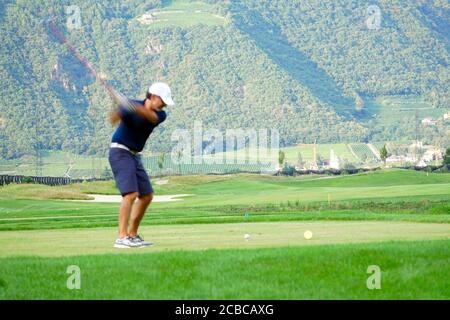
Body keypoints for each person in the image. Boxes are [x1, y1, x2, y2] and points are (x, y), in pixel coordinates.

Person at [108, 82, 173, 248]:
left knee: (146, 196)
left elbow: (149, 116)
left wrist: (131, 106)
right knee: (130, 194)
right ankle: (121, 238)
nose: (165, 104)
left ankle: (132, 235)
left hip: (134, 155)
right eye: (163, 100)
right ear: (152, 96)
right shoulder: (131, 106)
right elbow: (112, 120)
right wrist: (119, 108)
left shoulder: (160, 115)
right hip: (120, 152)